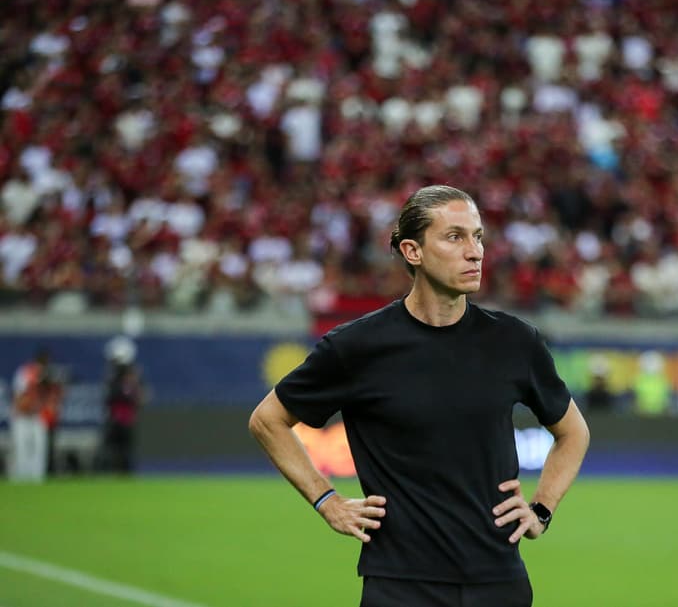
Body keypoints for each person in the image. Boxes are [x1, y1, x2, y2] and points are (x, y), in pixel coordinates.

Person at [249, 185, 590, 607]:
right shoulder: (358, 346)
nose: (475, 252)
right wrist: (327, 500)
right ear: (413, 251)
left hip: (499, 581)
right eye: (454, 237)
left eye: (478, 237)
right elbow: (268, 420)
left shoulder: (515, 342)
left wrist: (541, 509)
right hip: (400, 585)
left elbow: (573, 432)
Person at [9, 348, 63, 482]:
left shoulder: (48, 375)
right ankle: (20, 479)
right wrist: (23, 407)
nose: (44, 365)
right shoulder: (25, 373)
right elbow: (18, 396)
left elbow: (52, 396)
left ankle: (37, 479)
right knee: (22, 449)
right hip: (22, 417)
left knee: (39, 449)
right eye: (42, 362)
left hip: (38, 415)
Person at [99, 336, 147, 473]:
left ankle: (125, 471)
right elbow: (109, 397)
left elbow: (140, 397)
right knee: (112, 449)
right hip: (115, 418)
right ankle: (110, 471)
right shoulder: (113, 378)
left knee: (125, 450)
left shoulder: (132, 377)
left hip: (126, 419)